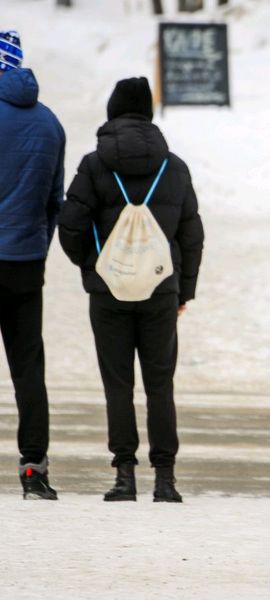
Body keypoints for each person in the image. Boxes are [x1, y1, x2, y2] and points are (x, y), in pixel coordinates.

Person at [58, 77, 204, 503]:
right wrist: (184, 290)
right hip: (161, 289)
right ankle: (166, 479)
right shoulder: (173, 167)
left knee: (117, 383)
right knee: (160, 384)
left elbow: (70, 227)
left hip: (109, 292)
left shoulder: (93, 164)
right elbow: (192, 235)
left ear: (112, 111)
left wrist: (93, 268)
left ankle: (124, 476)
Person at [0, 30, 65, 500]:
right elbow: (53, 201)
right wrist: (38, 247)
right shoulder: (49, 124)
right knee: (28, 368)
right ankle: (33, 468)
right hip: (24, 262)